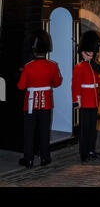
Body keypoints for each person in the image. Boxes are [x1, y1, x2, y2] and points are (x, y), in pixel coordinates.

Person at [17, 29, 63, 168]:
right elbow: (57, 83)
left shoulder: (28, 67)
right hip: (47, 104)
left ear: (34, 50)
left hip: (30, 104)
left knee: (29, 132)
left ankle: (29, 159)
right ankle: (45, 158)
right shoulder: (53, 65)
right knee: (44, 131)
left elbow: (21, 86)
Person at [72, 30, 100, 162]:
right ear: (83, 52)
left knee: (92, 129)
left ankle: (91, 150)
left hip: (94, 101)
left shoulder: (95, 67)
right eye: (89, 51)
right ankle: (83, 153)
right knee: (85, 129)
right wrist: (76, 101)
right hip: (85, 102)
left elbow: (97, 82)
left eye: (92, 51)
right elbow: (75, 86)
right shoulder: (79, 67)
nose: (91, 54)